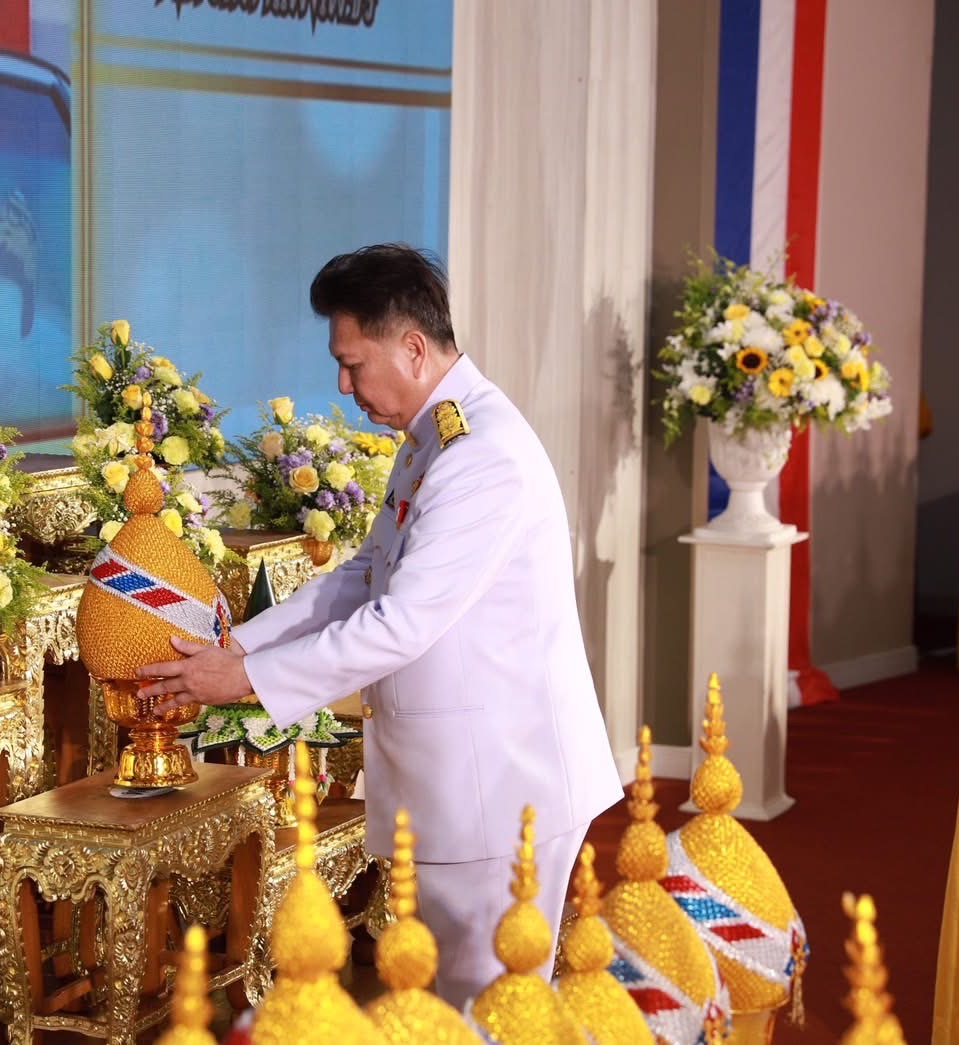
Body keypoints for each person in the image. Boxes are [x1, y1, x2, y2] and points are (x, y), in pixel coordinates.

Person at [139, 243, 621, 1007]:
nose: (343, 384)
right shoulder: (434, 437)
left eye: (352, 363)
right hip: (463, 780)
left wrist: (244, 679)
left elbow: (400, 623)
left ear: (413, 348)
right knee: (447, 1002)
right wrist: (241, 645)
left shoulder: (479, 455)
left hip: (496, 787)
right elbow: (362, 574)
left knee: (485, 1009)